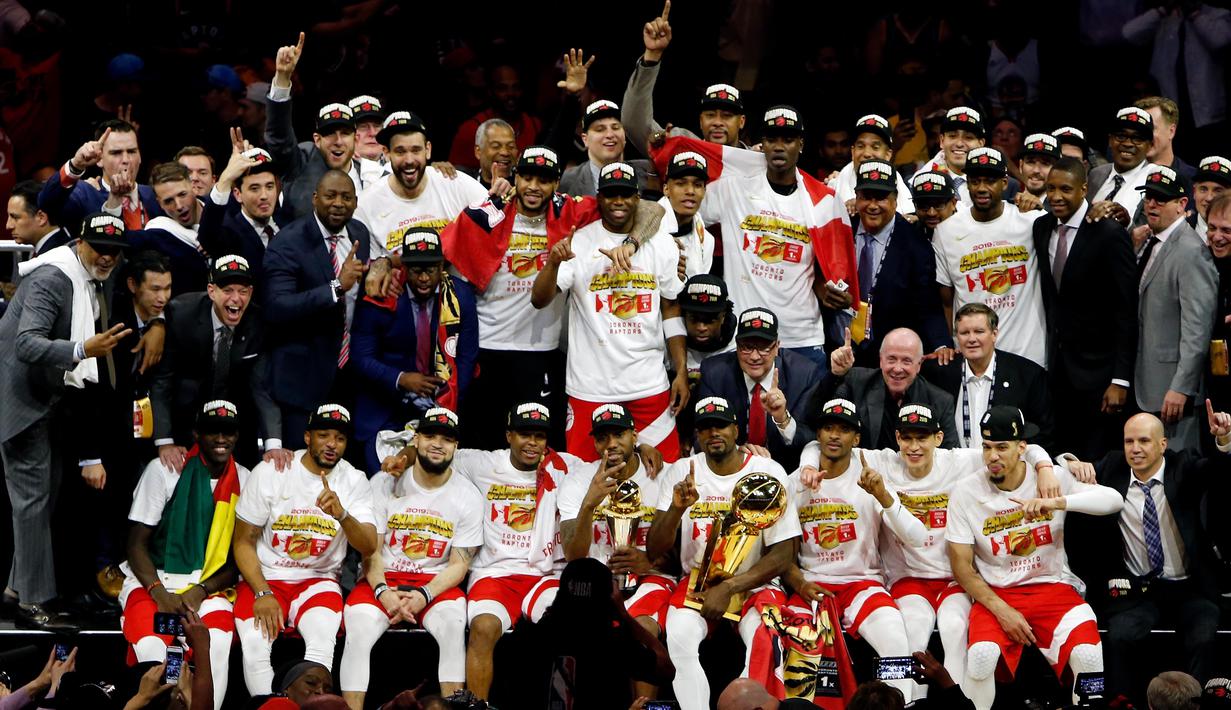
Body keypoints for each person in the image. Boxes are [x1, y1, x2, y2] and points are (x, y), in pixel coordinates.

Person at [797, 403, 1056, 699]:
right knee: (912, 632)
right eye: (907, 438)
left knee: (955, 628)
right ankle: (905, 706)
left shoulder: (961, 461)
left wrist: (1045, 467)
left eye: (922, 438)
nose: (914, 446)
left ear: (939, 438)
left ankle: (960, 708)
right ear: (897, 439)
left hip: (954, 577)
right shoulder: (881, 462)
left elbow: (1023, 448)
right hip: (907, 578)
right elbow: (820, 445)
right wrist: (806, 465)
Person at [441, 144, 661, 449]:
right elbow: (439, 255)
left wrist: (632, 243)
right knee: (485, 444)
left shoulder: (572, 212)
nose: (533, 187)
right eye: (527, 177)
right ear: (515, 178)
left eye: (543, 180)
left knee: (538, 446)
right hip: (487, 347)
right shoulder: (486, 214)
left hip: (541, 351)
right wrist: (386, 264)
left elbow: (652, 208)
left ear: (557, 183)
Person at [0, 212, 133, 631]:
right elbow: (26, 343)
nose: (108, 257)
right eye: (100, 248)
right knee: (33, 502)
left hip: (45, 399)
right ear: (80, 241)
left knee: (43, 497)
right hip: (23, 403)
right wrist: (81, 348)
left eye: (115, 251)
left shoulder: (87, 273)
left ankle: (15, 590)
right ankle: (35, 602)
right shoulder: (54, 279)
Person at [647, 107, 859, 366]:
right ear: (763, 144)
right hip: (744, 336)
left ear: (801, 144)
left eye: (788, 140)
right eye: (772, 139)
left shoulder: (823, 200)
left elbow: (832, 269)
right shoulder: (733, 188)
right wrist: (662, 250)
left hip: (801, 336)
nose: (779, 147)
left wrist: (834, 294)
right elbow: (674, 205)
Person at [946, 405, 1124, 710]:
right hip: (998, 592)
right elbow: (961, 567)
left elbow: (1114, 500)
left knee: (1089, 655)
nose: (993, 457)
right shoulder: (965, 490)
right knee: (980, 657)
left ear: (1022, 448)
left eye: (1002, 447)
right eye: (987, 447)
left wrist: (1056, 502)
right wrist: (1002, 611)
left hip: (1053, 586)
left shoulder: (1050, 479)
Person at [1062, 408, 1231, 701]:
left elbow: (1218, 471)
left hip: (1190, 587)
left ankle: (1193, 704)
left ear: (1163, 445)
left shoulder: (1184, 465)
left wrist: (1224, 439)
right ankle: (1122, 702)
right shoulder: (1112, 467)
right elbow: (1064, 464)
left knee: (1204, 635)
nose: (1135, 449)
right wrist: (1072, 463)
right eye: (1129, 441)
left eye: (1144, 441)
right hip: (1138, 592)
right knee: (1120, 635)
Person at [646, 396, 801, 710]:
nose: (713, 433)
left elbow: (784, 553)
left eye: (720, 425)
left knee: (764, 638)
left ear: (735, 429)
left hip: (756, 583)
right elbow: (654, 549)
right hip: (697, 583)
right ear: (697, 436)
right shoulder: (680, 472)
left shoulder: (767, 470)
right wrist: (676, 509)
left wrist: (730, 586)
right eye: (705, 428)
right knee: (679, 636)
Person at [532, 161, 687, 461]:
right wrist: (552, 264)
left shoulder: (662, 244)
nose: (619, 201)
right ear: (598, 197)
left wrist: (680, 371)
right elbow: (539, 300)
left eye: (626, 194)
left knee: (661, 477)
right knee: (584, 479)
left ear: (637, 198)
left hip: (649, 385)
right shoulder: (579, 242)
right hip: (591, 388)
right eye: (611, 194)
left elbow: (671, 308)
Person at [784, 399, 928, 702]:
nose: (835, 436)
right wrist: (799, 583)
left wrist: (883, 496)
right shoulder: (796, 481)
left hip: (864, 584)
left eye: (844, 430)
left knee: (895, 640)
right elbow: (779, 551)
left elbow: (917, 537)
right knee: (793, 656)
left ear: (857, 438)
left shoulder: (872, 475)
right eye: (828, 428)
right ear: (818, 435)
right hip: (812, 585)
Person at [340, 407, 483, 708]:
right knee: (358, 630)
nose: (437, 444)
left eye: (446, 439)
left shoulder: (468, 495)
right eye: (430, 435)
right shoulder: (383, 482)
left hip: (435, 582)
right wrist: (382, 593)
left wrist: (424, 594)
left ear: (456, 446)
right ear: (415, 440)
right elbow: (371, 551)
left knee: (454, 625)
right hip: (383, 578)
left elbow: (460, 564)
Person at [232, 403, 378, 695]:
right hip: (266, 577)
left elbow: (369, 546)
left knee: (322, 645)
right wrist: (262, 592)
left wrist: (343, 515)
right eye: (324, 435)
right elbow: (242, 542)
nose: (332, 445)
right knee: (254, 648)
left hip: (318, 581)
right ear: (308, 437)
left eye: (340, 438)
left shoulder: (354, 480)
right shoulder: (272, 472)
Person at [120, 401, 248, 709]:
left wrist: (201, 591)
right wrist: (159, 593)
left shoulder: (245, 478)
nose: (221, 439)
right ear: (196, 434)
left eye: (228, 432)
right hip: (152, 582)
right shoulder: (163, 470)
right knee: (154, 652)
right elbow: (136, 545)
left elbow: (238, 559)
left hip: (209, 587)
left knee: (215, 648)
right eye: (212, 431)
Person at [558, 404, 675, 700]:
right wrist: (589, 503)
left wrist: (648, 560)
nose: (611, 444)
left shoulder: (661, 475)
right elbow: (573, 555)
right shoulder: (578, 480)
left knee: (642, 625)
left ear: (635, 436)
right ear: (595, 443)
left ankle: (641, 706)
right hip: (595, 581)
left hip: (650, 578)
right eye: (603, 437)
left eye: (619, 434)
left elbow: (680, 553)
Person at [1034, 157, 1137, 460]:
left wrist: (1120, 379)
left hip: (1101, 374)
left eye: (1065, 189)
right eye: (1051, 189)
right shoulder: (1041, 228)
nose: (1056, 196)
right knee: (1066, 459)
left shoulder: (1107, 233)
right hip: (1059, 372)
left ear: (1084, 189)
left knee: (1098, 461)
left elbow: (1127, 311)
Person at [351, 228, 478, 472]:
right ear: (404, 268)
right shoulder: (381, 294)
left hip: (441, 403)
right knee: (385, 479)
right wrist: (401, 379)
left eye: (430, 270)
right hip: (385, 407)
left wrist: (446, 400)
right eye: (416, 270)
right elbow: (361, 358)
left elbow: (466, 357)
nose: (423, 278)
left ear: (441, 266)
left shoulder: (459, 296)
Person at [262, 170, 371, 445]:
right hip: (301, 378)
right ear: (314, 199)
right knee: (299, 465)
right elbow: (277, 307)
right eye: (330, 196)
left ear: (356, 203)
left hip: (348, 375)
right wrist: (336, 287)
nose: (338, 203)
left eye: (346, 197)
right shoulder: (287, 243)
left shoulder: (359, 233)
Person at [151, 255, 284, 470]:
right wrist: (165, 441)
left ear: (250, 293)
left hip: (235, 430)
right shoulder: (182, 314)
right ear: (212, 291)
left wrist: (273, 444)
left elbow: (262, 388)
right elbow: (162, 381)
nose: (236, 299)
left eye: (243, 291)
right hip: (185, 426)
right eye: (228, 290)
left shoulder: (258, 322)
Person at [933, 146, 1047, 367]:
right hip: (973, 357)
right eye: (975, 181)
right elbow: (946, 301)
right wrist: (949, 346)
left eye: (990, 181)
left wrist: (1041, 207)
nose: (982, 188)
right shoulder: (946, 231)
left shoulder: (1031, 221)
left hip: (1029, 355)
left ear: (1004, 183)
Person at [512, 558, 674, 710]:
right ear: (610, 598)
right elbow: (666, 670)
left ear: (561, 593)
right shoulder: (615, 643)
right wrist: (624, 616)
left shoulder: (529, 638)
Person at [1133, 164, 1217, 451]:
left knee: (1178, 476)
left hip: (1172, 391)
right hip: (1146, 382)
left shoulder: (1191, 251)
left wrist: (1182, 386)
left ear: (1182, 204)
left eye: (1161, 198)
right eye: (1148, 197)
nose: (1152, 204)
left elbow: (1198, 330)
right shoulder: (1151, 241)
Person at [846, 160, 947, 364]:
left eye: (881, 197)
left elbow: (928, 304)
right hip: (840, 347)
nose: (873, 206)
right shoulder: (840, 229)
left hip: (891, 357)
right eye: (866, 197)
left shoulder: (916, 245)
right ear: (856, 198)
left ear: (895, 199)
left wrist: (941, 344)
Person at [697, 308, 822, 472]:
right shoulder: (715, 373)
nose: (754, 357)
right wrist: (734, 453)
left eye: (764, 348)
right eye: (747, 347)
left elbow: (813, 439)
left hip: (787, 470)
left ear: (777, 346)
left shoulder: (804, 374)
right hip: (730, 469)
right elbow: (700, 434)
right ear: (736, 345)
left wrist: (783, 419)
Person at [355, 110, 488, 261]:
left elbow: (497, 223)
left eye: (416, 150)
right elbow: (370, 267)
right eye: (400, 151)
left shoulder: (455, 183)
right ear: (386, 153)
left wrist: (501, 195)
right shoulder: (366, 205)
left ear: (428, 150)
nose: (409, 160)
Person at [264, 33, 368, 219]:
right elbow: (279, 139)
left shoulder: (372, 174)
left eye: (345, 133)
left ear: (356, 138)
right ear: (317, 140)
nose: (337, 141)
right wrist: (282, 78)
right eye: (329, 134)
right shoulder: (302, 162)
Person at [621, 2, 748, 154]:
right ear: (701, 121)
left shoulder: (759, 160)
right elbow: (634, 122)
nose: (717, 123)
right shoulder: (683, 150)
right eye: (710, 115)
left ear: (741, 122)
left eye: (727, 116)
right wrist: (652, 57)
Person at [924, 303, 1054, 451]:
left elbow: (1043, 433)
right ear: (957, 337)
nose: (971, 339)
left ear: (994, 334)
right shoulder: (940, 374)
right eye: (965, 333)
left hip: (1008, 468)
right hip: (955, 469)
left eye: (979, 331)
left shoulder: (1027, 375)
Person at [820, 327, 958, 450]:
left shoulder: (941, 401)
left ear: (919, 364)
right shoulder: (857, 382)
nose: (897, 369)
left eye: (906, 361)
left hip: (916, 476)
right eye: (891, 359)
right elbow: (813, 417)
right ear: (881, 360)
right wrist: (834, 375)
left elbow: (950, 457)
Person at [38, 119, 161, 234]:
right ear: (99, 159)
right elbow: (47, 204)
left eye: (132, 151)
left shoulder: (155, 195)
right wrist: (76, 165)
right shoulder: (83, 194)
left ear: (140, 156)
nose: (126, 160)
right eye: (116, 153)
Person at [116, 161, 211, 295]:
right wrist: (114, 198)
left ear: (193, 187)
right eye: (168, 201)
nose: (178, 206)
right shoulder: (157, 233)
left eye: (182, 194)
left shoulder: (224, 214)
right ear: (159, 203)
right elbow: (115, 238)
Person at [198, 144, 287, 279]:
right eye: (254, 188)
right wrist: (226, 178)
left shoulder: (290, 223)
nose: (264, 195)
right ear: (238, 194)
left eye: (269, 186)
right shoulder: (229, 233)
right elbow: (207, 236)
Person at [447, 64, 542, 171]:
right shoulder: (471, 129)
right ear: (490, 91)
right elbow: (455, 176)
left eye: (516, 87)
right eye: (502, 88)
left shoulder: (534, 125)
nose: (510, 93)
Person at [559, 100, 654, 197]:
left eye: (615, 127)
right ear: (585, 139)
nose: (609, 134)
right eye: (600, 129)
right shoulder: (566, 181)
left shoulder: (648, 171)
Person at [829, 114, 916, 215]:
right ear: (853, 152)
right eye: (860, 146)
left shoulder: (899, 184)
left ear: (888, 155)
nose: (866, 153)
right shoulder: (833, 188)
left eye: (875, 147)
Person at [1087, 107, 1156, 227]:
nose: (1128, 143)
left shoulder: (1154, 180)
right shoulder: (1095, 174)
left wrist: (1127, 223)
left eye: (1137, 139)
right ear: (1110, 140)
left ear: (1150, 145)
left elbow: (1152, 234)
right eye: (1121, 136)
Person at [660, 150, 716, 279]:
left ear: (704, 191)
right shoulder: (642, 225)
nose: (690, 191)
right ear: (666, 189)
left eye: (697, 185)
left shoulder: (707, 241)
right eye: (681, 183)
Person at [921, 107, 987, 206]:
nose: (959, 144)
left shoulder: (1001, 184)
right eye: (952, 136)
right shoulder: (918, 181)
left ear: (981, 144)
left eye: (968, 137)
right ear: (942, 141)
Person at [6, 179, 71, 258]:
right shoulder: (62, 247)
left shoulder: (53, 258)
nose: (8, 226)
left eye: (15, 217)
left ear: (41, 218)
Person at [459, 118, 517, 190]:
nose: (505, 152)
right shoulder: (464, 183)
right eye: (496, 146)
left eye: (511, 146)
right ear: (478, 151)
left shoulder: (523, 185)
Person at [348, 95, 390, 186]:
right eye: (363, 127)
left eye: (377, 126)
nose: (372, 133)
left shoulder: (399, 167)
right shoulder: (336, 170)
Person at [909, 170, 959, 241]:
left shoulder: (969, 231)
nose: (931, 213)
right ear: (915, 205)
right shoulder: (907, 233)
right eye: (923, 206)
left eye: (938, 205)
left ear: (953, 203)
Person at [1015, 133, 1060, 208]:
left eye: (1045, 163)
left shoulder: (1061, 213)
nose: (1036, 170)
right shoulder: (1006, 207)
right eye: (1030, 162)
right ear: (1021, 165)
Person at [1193, 155, 1231, 242]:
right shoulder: (1176, 230)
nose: (1209, 198)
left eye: (1218, 191)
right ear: (1194, 192)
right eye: (1203, 189)